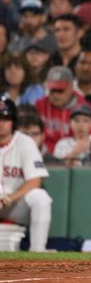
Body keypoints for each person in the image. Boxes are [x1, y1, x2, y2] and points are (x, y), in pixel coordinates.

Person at [0, 98, 52, 252]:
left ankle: (37, 251)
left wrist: (9, 199)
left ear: (13, 121)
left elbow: (35, 181)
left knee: (40, 197)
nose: (2, 123)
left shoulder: (25, 142)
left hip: (14, 204)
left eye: (6, 119)